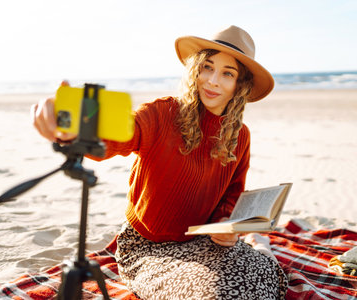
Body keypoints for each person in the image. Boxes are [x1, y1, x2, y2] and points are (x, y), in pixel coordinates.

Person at [31, 25, 288, 299]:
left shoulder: (240, 135)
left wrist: (225, 223)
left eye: (228, 73)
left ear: (241, 84)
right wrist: (74, 126)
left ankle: (260, 246)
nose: (212, 81)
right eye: (207, 67)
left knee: (263, 277)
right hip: (146, 247)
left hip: (202, 241)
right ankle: (258, 247)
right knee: (216, 293)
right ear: (196, 69)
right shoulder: (163, 112)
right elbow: (122, 132)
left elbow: (231, 194)